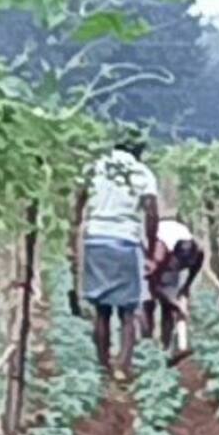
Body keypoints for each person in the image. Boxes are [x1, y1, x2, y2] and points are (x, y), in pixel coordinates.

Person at [73, 130, 159, 380]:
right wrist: (151, 248)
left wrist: (76, 225)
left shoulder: (95, 167)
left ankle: (103, 365)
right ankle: (123, 364)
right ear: (138, 151)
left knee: (102, 309)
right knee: (128, 310)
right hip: (125, 240)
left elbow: (78, 198)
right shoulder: (142, 173)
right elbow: (152, 211)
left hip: (96, 238)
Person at [143, 217, 206, 361]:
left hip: (176, 245)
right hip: (152, 255)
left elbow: (194, 269)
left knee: (168, 308)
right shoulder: (158, 250)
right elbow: (153, 282)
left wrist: (185, 288)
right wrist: (174, 301)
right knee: (148, 303)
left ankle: (167, 349)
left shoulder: (196, 252)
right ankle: (146, 349)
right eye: (176, 265)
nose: (178, 268)